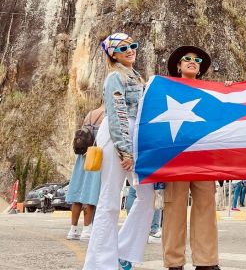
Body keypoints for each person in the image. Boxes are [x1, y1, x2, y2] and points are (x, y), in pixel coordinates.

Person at [83, 33, 155, 270]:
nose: (131, 50)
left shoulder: (136, 76)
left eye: (133, 45)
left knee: (147, 197)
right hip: (117, 137)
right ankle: (101, 264)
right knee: (110, 200)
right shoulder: (115, 77)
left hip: (135, 136)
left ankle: (122, 251)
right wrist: (124, 150)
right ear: (112, 54)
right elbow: (117, 113)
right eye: (124, 48)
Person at [162, 45, 221, 270]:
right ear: (178, 65)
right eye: (187, 59)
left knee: (205, 207)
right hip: (175, 156)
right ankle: (174, 262)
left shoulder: (209, 91)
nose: (191, 62)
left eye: (196, 60)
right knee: (174, 208)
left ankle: (206, 262)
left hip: (203, 156)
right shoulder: (165, 89)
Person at [66, 105, 104, 240]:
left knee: (77, 195)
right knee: (90, 194)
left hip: (81, 157)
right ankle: (87, 229)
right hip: (95, 156)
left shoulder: (90, 114)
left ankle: (73, 229)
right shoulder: (107, 114)